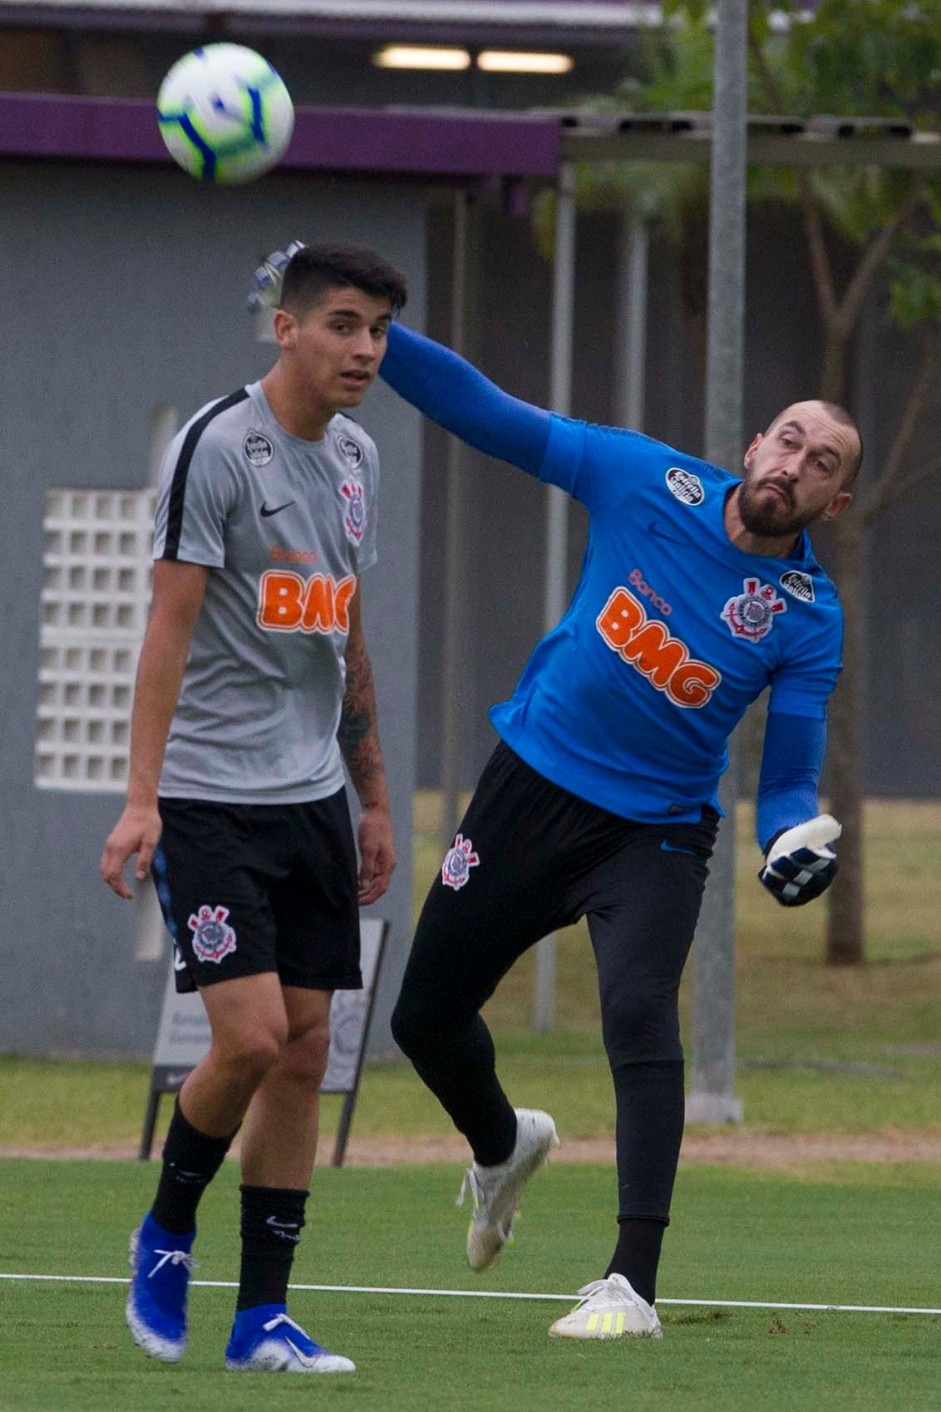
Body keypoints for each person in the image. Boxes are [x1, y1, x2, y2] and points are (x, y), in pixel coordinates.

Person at [379, 320, 860, 1341]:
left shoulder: (805, 612)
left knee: (638, 1010)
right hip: (528, 787)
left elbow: (784, 779)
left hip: (652, 831)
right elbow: (489, 415)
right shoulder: (645, 478)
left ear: (834, 500)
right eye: (785, 438)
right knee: (421, 1017)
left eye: (821, 461)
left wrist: (790, 844)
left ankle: (628, 1284)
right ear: (749, 447)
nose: (795, 463)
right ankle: (501, 1141)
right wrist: (380, 340)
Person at [100, 242, 408, 1374]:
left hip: (312, 799)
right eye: (341, 323)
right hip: (206, 797)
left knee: (308, 1047)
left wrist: (371, 797)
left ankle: (261, 1317)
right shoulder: (217, 449)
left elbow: (345, 631)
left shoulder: (361, 456)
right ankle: (167, 1227)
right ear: (283, 327)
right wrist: (141, 801)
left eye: (376, 328)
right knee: (253, 1034)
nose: (363, 348)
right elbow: (166, 631)